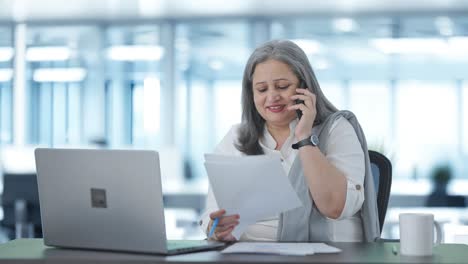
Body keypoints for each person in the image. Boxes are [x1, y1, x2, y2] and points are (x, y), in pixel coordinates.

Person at [199, 39, 379, 242]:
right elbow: (212, 213)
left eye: (282, 86)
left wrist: (305, 138)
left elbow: (334, 206)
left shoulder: (337, 130)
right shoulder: (236, 137)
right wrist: (216, 228)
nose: (272, 96)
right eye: (261, 89)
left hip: (326, 254)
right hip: (250, 253)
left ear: (304, 87)